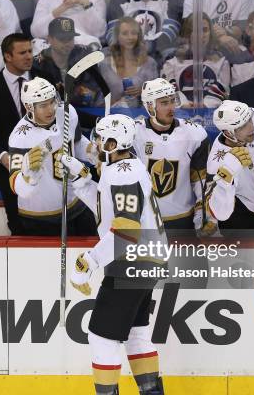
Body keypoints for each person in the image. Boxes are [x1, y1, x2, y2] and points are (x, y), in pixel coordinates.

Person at [59, 114, 166, 395]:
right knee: (136, 334)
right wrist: (81, 179)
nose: (95, 143)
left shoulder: (123, 172)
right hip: (147, 259)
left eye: (100, 138)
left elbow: (127, 230)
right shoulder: (124, 168)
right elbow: (108, 210)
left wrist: (90, 261)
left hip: (132, 261)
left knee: (101, 336)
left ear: (113, 142)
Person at [0, 33, 51, 235]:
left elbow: (62, 117)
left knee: (53, 224)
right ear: (8, 56)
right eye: (22, 52)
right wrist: (2, 156)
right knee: (20, 229)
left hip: (50, 167)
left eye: (30, 51)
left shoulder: (46, 79)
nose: (29, 56)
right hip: (12, 172)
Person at [7, 77, 97, 236]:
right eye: (43, 105)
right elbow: (15, 184)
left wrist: (91, 150)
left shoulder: (67, 113)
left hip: (77, 205)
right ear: (29, 107)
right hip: (41, 218)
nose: (51, 109)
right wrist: (26, 177)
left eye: (52, 102)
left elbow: (75, 143)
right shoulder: (20, 137)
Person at [134, 78, 212, 232]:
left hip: (183, 219)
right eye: (164, 103)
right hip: (146, 220)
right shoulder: (133, 134)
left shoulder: (194, 134)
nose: (171, 107)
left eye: (173, 101)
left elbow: (200, 181)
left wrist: (202, 214)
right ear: (150, 106)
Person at [206, 100, 254, 230]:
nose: (251, 127)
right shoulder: (217, 161)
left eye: (249, 120)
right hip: (244, 216)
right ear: (228, 133)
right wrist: (226, 177)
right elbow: (219, 213)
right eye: (242, 126)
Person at [161, 13, 229, 108]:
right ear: (188, 34)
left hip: (211, 117)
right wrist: (183, 104)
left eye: (205, 30)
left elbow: (222, 89)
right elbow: (168, 89)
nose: (201, 35)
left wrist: (205, 105)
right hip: (180, 116)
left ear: (210, 33)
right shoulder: (171, 62)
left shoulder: (221, 62)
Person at [99, 17, 158, 108]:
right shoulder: (104, 63)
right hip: (108, 115)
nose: (130, 37)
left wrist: (143, 92)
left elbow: (157, 95)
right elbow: (96, 97)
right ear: (117, 36)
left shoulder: (149, 63)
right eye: (125, 33)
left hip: (139, 116)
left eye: (134, 33)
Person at [183, 0, 254, 56]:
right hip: (204, 51)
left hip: (235, 49)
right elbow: (189, 30)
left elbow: (244, 26)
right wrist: (218, 38)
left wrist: (226, 32)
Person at [31, 0, 107, 47]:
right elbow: (36, 32)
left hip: (84, 48)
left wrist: (87, 6)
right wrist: (60, 10)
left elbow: (100, 32)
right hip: (54, 48)